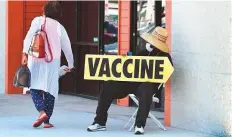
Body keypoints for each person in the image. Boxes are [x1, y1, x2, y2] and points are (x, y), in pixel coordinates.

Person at [87, 27, 173, 135]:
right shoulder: (145, 50)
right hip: (131, 83)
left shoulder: (165, 56)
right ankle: (99, 122)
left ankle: (139, 124)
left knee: (146, 88)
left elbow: (167, 72)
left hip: (147, 87)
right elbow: (133, 63)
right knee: (108, 85)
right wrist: (128, 58)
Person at [21, 1, 74, 128]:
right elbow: (67, 47)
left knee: (34, 86)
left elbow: (28, 37)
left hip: (36, 58)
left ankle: (42, 112)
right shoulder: (59, 27)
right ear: (58, 13)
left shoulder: (38, 21)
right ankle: (46, 121)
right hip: (53, 61)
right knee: (51, 89)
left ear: (44, 10)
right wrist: (71, 64)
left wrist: (24, 53)